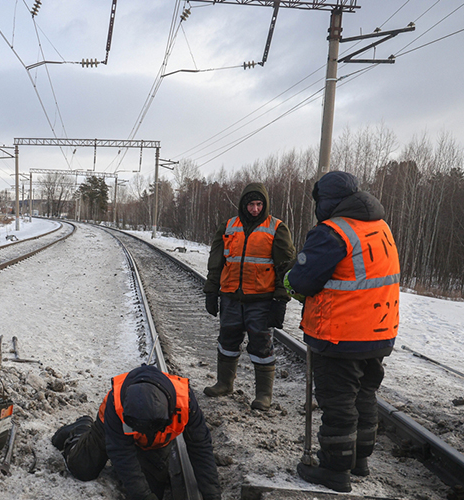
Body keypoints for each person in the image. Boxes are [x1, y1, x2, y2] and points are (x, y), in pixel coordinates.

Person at [285, 171, 400, 493]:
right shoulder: (380, 227)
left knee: (338, 405)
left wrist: (289, 282)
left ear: (327, 201)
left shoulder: (332, 232)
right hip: (378, 332)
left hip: (340, 333)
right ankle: (359, 461)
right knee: (365, 396)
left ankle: (335, 471)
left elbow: (303, 282)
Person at [51, 364, 221, 500]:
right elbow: (121, 452)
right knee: (81, 469)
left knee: (154, 489)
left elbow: (200, 447)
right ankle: (81, 428)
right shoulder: (116, 402)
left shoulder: (185, 401)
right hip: (109, 431)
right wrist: (143, 496)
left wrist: (212, 495)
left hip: (154, 446)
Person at [202, 182, 295, 410]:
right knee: (227, 340)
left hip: (261, 300)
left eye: (259, 204)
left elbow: (285, 267)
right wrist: (211, 291)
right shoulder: (228, 227)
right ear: (243, 204)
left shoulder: (276, 228)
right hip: (231, 297)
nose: (255, 209)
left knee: (261, 346)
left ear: (265, 205)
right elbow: (216, 262)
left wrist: (280, 300)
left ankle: (264, 395)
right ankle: (224, 383)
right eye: (251, 204)